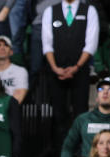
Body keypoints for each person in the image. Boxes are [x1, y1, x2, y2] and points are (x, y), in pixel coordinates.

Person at [42, 0, 100, 145]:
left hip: (80, 70)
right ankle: (58, 151)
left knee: (81, 111)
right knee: (57, 114)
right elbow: (47, 42)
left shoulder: (89, 10)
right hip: (56, 70)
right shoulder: (50, 11)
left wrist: (77, 66)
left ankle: (81, 149)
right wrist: (55, 68)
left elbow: (91, 43)